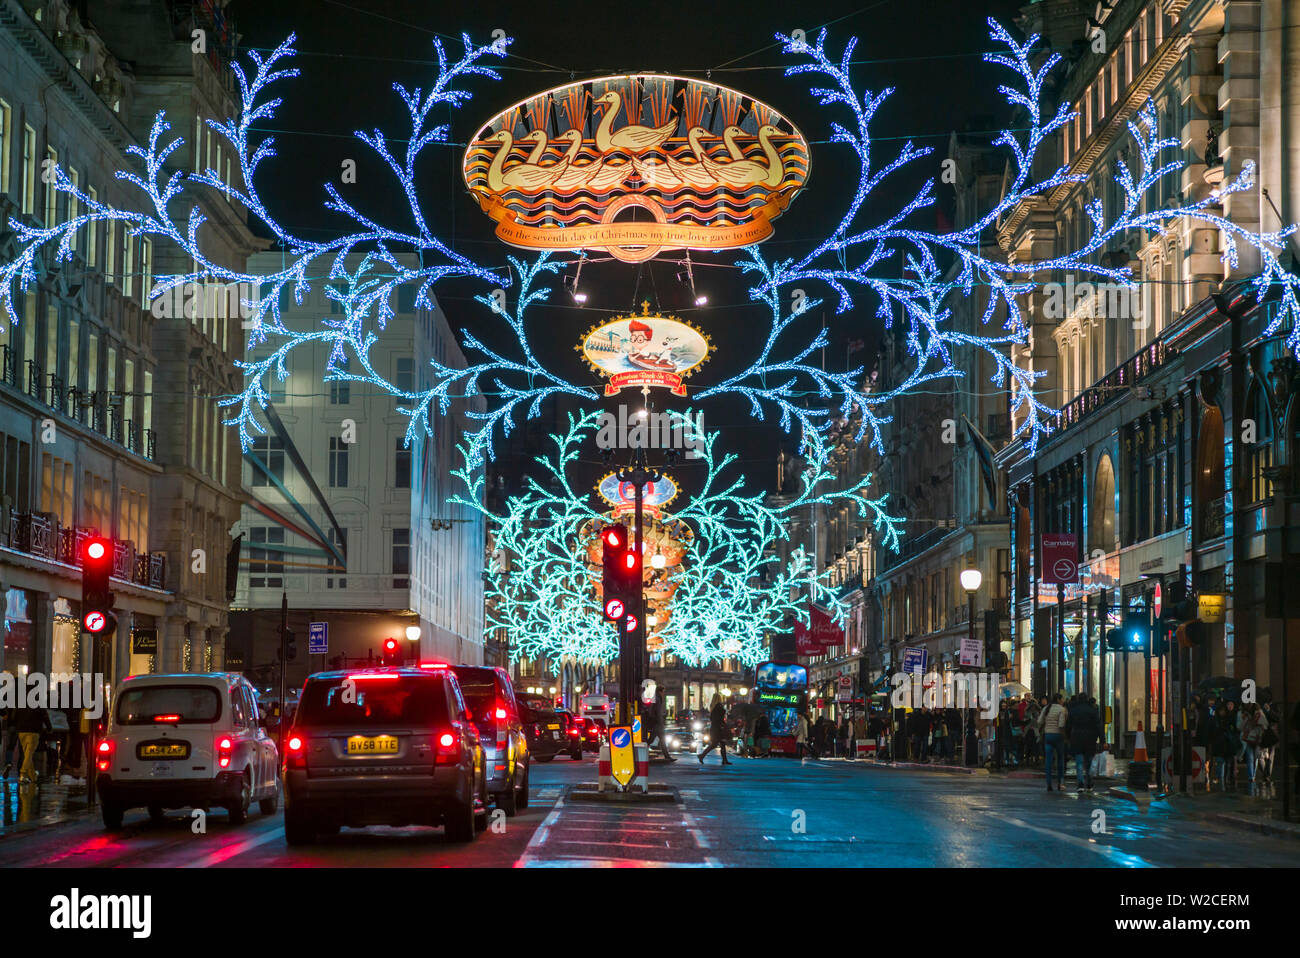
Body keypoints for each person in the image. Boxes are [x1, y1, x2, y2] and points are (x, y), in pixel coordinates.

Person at [1067, 693, 1103, 790]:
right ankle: (1089, 782)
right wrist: (1102, 740)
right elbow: (1098, 725)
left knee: (1079, 762)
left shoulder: (1073, 710)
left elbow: (1068, 725)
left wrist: (1068, 737)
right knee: (1089, 762)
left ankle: (1080, 784)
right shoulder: (1092, 710)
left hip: (1077, 738)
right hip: (1090, 739)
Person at [1037, 692, 1069, 791]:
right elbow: (1061, 724)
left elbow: (1039, 721)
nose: (1063, 701)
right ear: (1059, 700)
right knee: (1060, 759)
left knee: (1048, 760)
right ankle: (1060, 782)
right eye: (1062, 699)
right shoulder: (1062, 709)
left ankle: (1049, 783)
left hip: (1048, 736)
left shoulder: (1046, 708)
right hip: (1058, 736)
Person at [14, 702, 52, 785]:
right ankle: (23, 774)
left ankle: (33, 776)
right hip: (33, 731)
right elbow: (44, 715)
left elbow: (15, 716)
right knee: (29, 754)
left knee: (28, 755)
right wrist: (49, 728)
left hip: (22, 731)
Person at [698, 693, 732, 765]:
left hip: (714, 728)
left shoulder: (713, 707)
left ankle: (724, 760)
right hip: (718, 729)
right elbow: (719, 719)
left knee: (720, 744)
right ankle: (702, 755)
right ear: (719, 698)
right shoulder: (719, 707)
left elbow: (712, 718)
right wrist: (723, 725)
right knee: (715, 744)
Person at [1239, 702, 1267, 788]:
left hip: (1257, 738)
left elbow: (1264, 725)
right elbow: (1240, 726)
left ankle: (1253, 775)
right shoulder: (1244, 714)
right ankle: (1251, 776)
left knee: (1255, 757)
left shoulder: (1259, 713)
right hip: (1248, 738)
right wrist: (1245, 720)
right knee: (1250, 757)